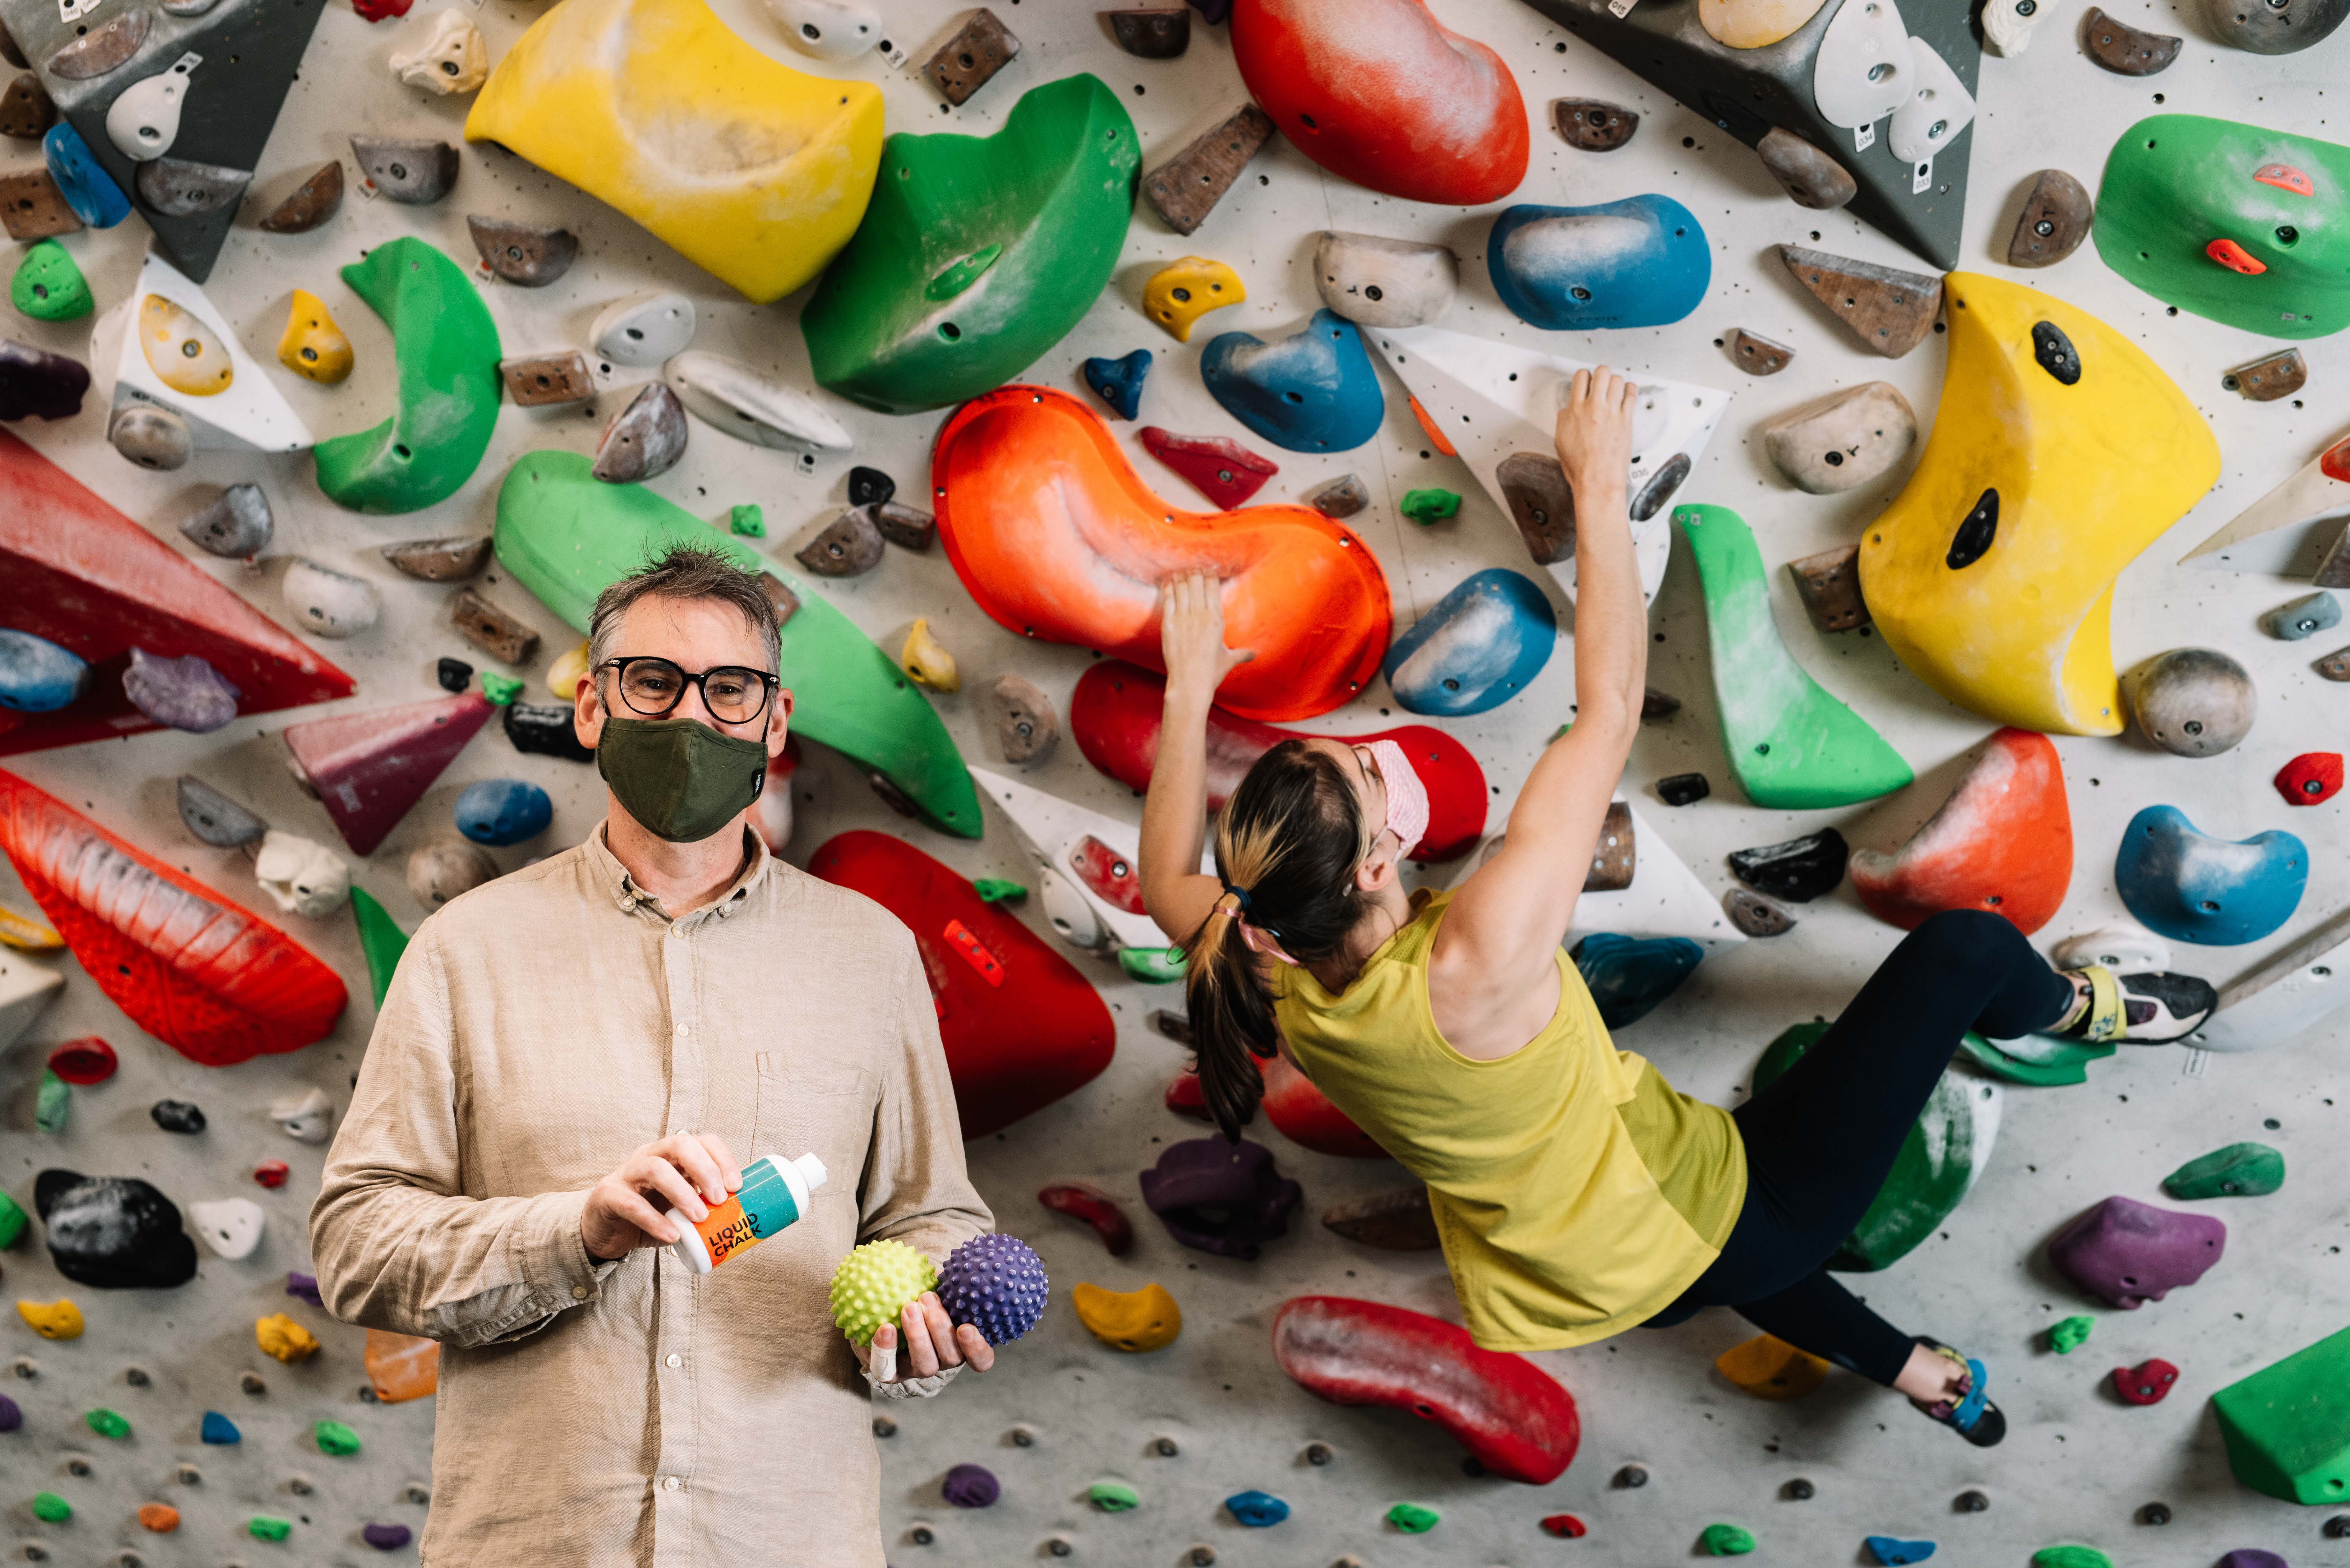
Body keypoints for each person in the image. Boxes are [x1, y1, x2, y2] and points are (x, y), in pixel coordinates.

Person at [1136, 367, 2217, 1446]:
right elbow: (1604, 714)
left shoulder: (1263, 957)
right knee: (1968, 950)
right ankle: (2085, 1013)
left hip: (1603, 1261)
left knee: (1731, 1248)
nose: (1381, 759)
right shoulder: (1473, 955)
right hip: (1714, 1219)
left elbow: (1161, 880)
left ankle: (1918, 1374)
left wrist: (1189, 692)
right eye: (1370, 777)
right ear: (1376, 867)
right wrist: (1599, 488)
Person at [312, 546, 995, 1567]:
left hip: (785, 1536)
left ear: (774, 719)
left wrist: (925, 1312)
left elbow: (931, 1214)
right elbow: (357, 1245)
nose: (690, 718)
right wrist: (574, 1233)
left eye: (729, 691)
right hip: (538, 1542)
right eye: (652, 682)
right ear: (591, 708)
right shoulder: (466, 949)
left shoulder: (870, 957)